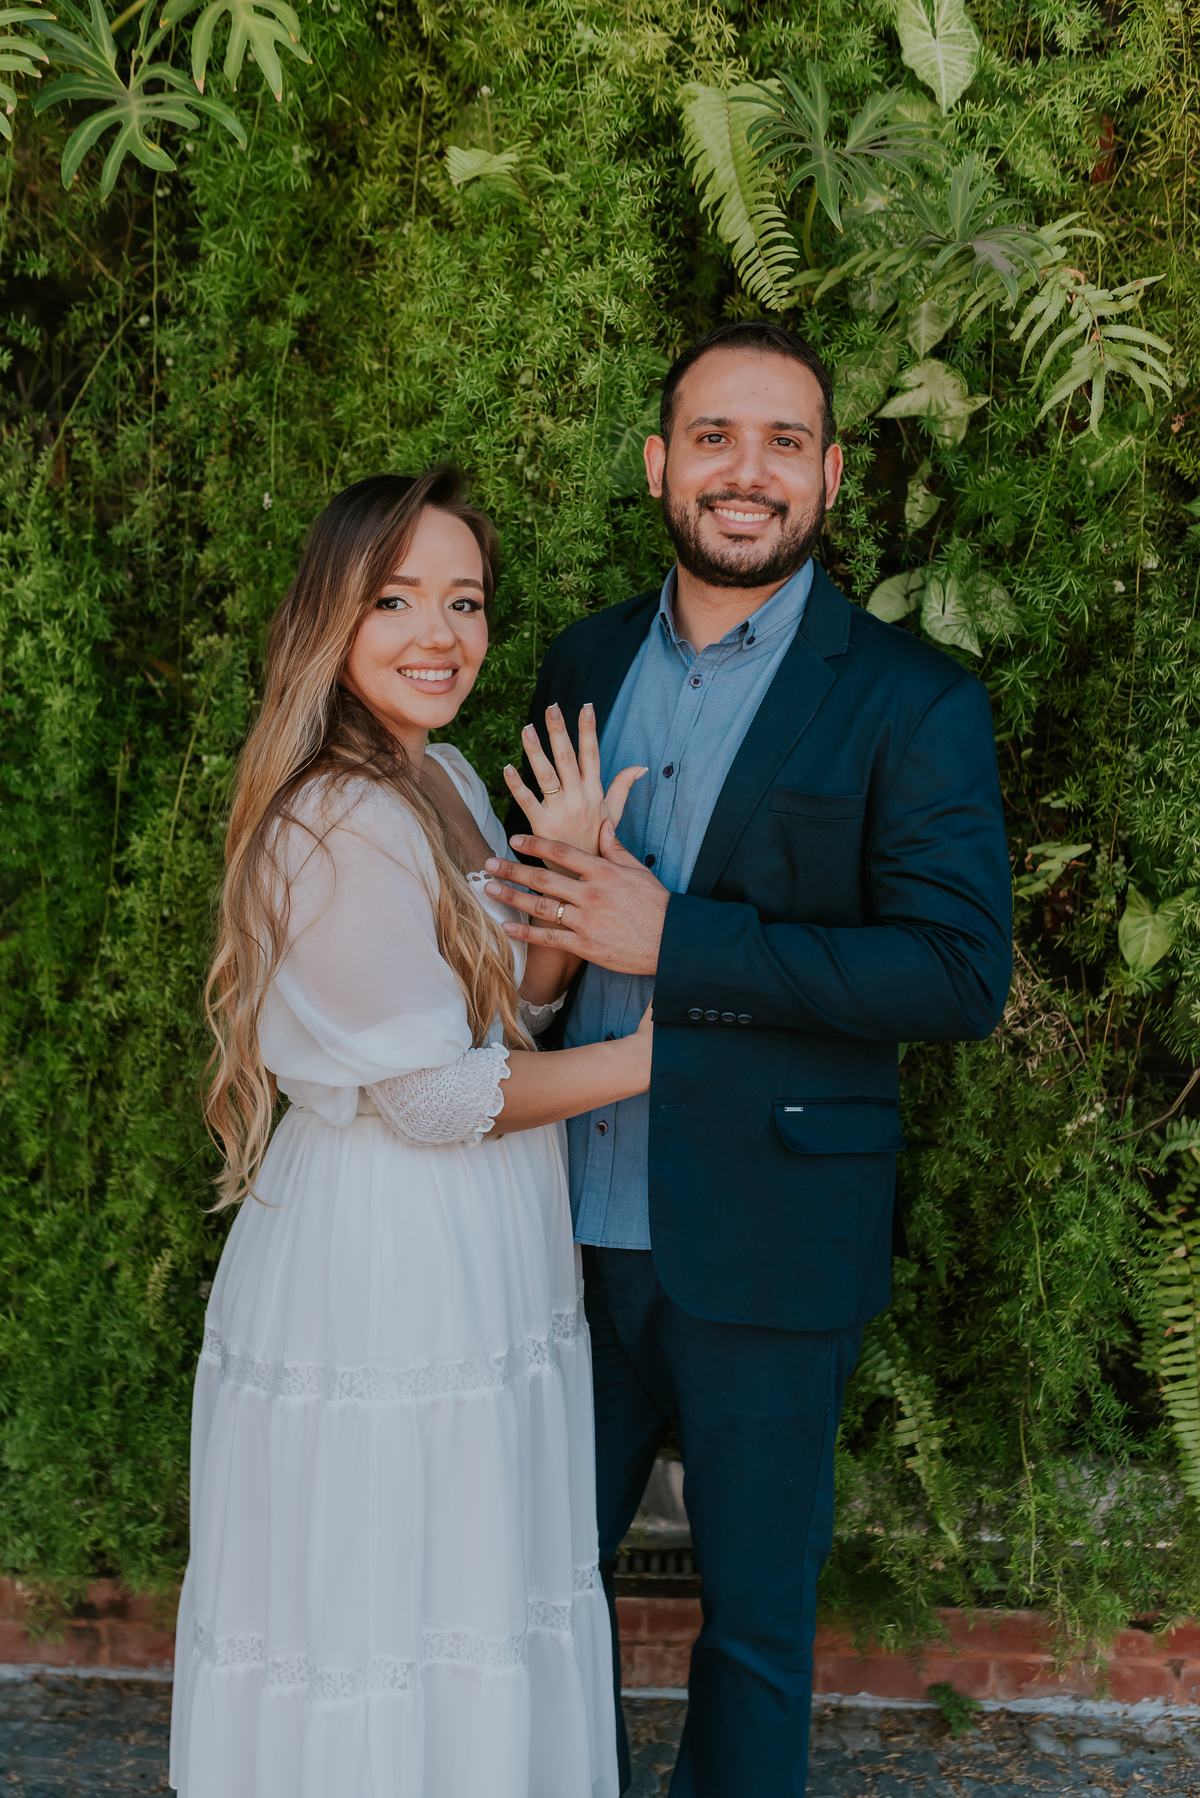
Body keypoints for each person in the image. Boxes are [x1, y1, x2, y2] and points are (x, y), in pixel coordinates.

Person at [485, 319, 1014, 1795]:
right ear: (660, 464)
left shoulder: (911, 699)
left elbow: (960, 972)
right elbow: (538, 920)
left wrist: (685, 940)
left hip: (774, 1251)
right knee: (526, 1608)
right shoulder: (580, 660)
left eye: (785, 441)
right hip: (553, 1242)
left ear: (831, 477)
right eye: (715, 435)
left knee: (757, 1636)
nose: (747, 470)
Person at [170, 466, 650, 1798]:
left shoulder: (436, 772)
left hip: (480, 1241)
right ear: (333, 613)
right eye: (398, 599)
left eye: (466, 601)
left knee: (473, 1587)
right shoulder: (335, 814)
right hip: (385, 1253)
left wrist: (553, 883)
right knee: (383, 1605)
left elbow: (506, 1032)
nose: (442, 633)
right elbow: (434, 1099)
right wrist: (661, 1058)